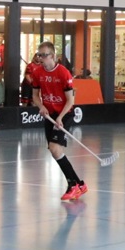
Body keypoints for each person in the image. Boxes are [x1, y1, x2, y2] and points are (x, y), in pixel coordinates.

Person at [31, 42, 86, 201]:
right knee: (53, 149)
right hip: (49, 113)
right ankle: (79, 184)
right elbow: (35, 95)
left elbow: (70, 101)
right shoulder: (37, 72)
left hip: (64, 113)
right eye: (39, 55)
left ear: (53, 56)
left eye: (45, 55)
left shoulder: (63, 73)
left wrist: (60, 118)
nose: (41, 58)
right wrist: (41, 106)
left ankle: (73, 185)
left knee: (55, 148)